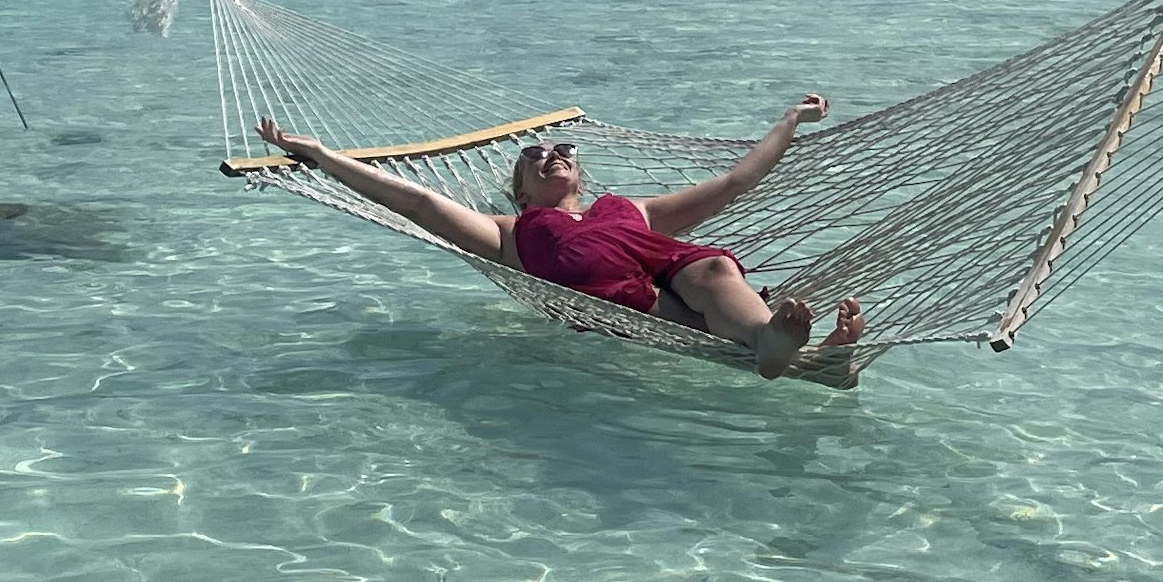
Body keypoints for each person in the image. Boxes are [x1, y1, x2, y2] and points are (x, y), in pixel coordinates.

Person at [249, 98, 867, 384]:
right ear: (519, 190)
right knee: (699, 304)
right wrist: (321, 155)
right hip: (634, 310)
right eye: (535, 155)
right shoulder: (507, 232)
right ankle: (808, 358)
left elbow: (736, 180)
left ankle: (781, 346)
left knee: (709, 269)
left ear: (579, 172)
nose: (552, 155)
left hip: (685, 286)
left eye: (562, 150)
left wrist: (787, 120)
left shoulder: (633, 209)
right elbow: (415, 200)